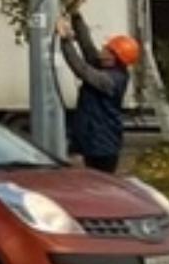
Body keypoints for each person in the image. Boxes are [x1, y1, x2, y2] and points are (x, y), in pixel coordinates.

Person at [56, 10, 140, 173]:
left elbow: (81, 69)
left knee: (101, 186)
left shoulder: (111, 79)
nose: (102, 48)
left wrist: (65, 40)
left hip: (102, 147)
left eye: (108, 48)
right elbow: (87, 47)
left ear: (113, 57)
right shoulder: (108, 68)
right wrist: (76, 17)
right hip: (96, 142)